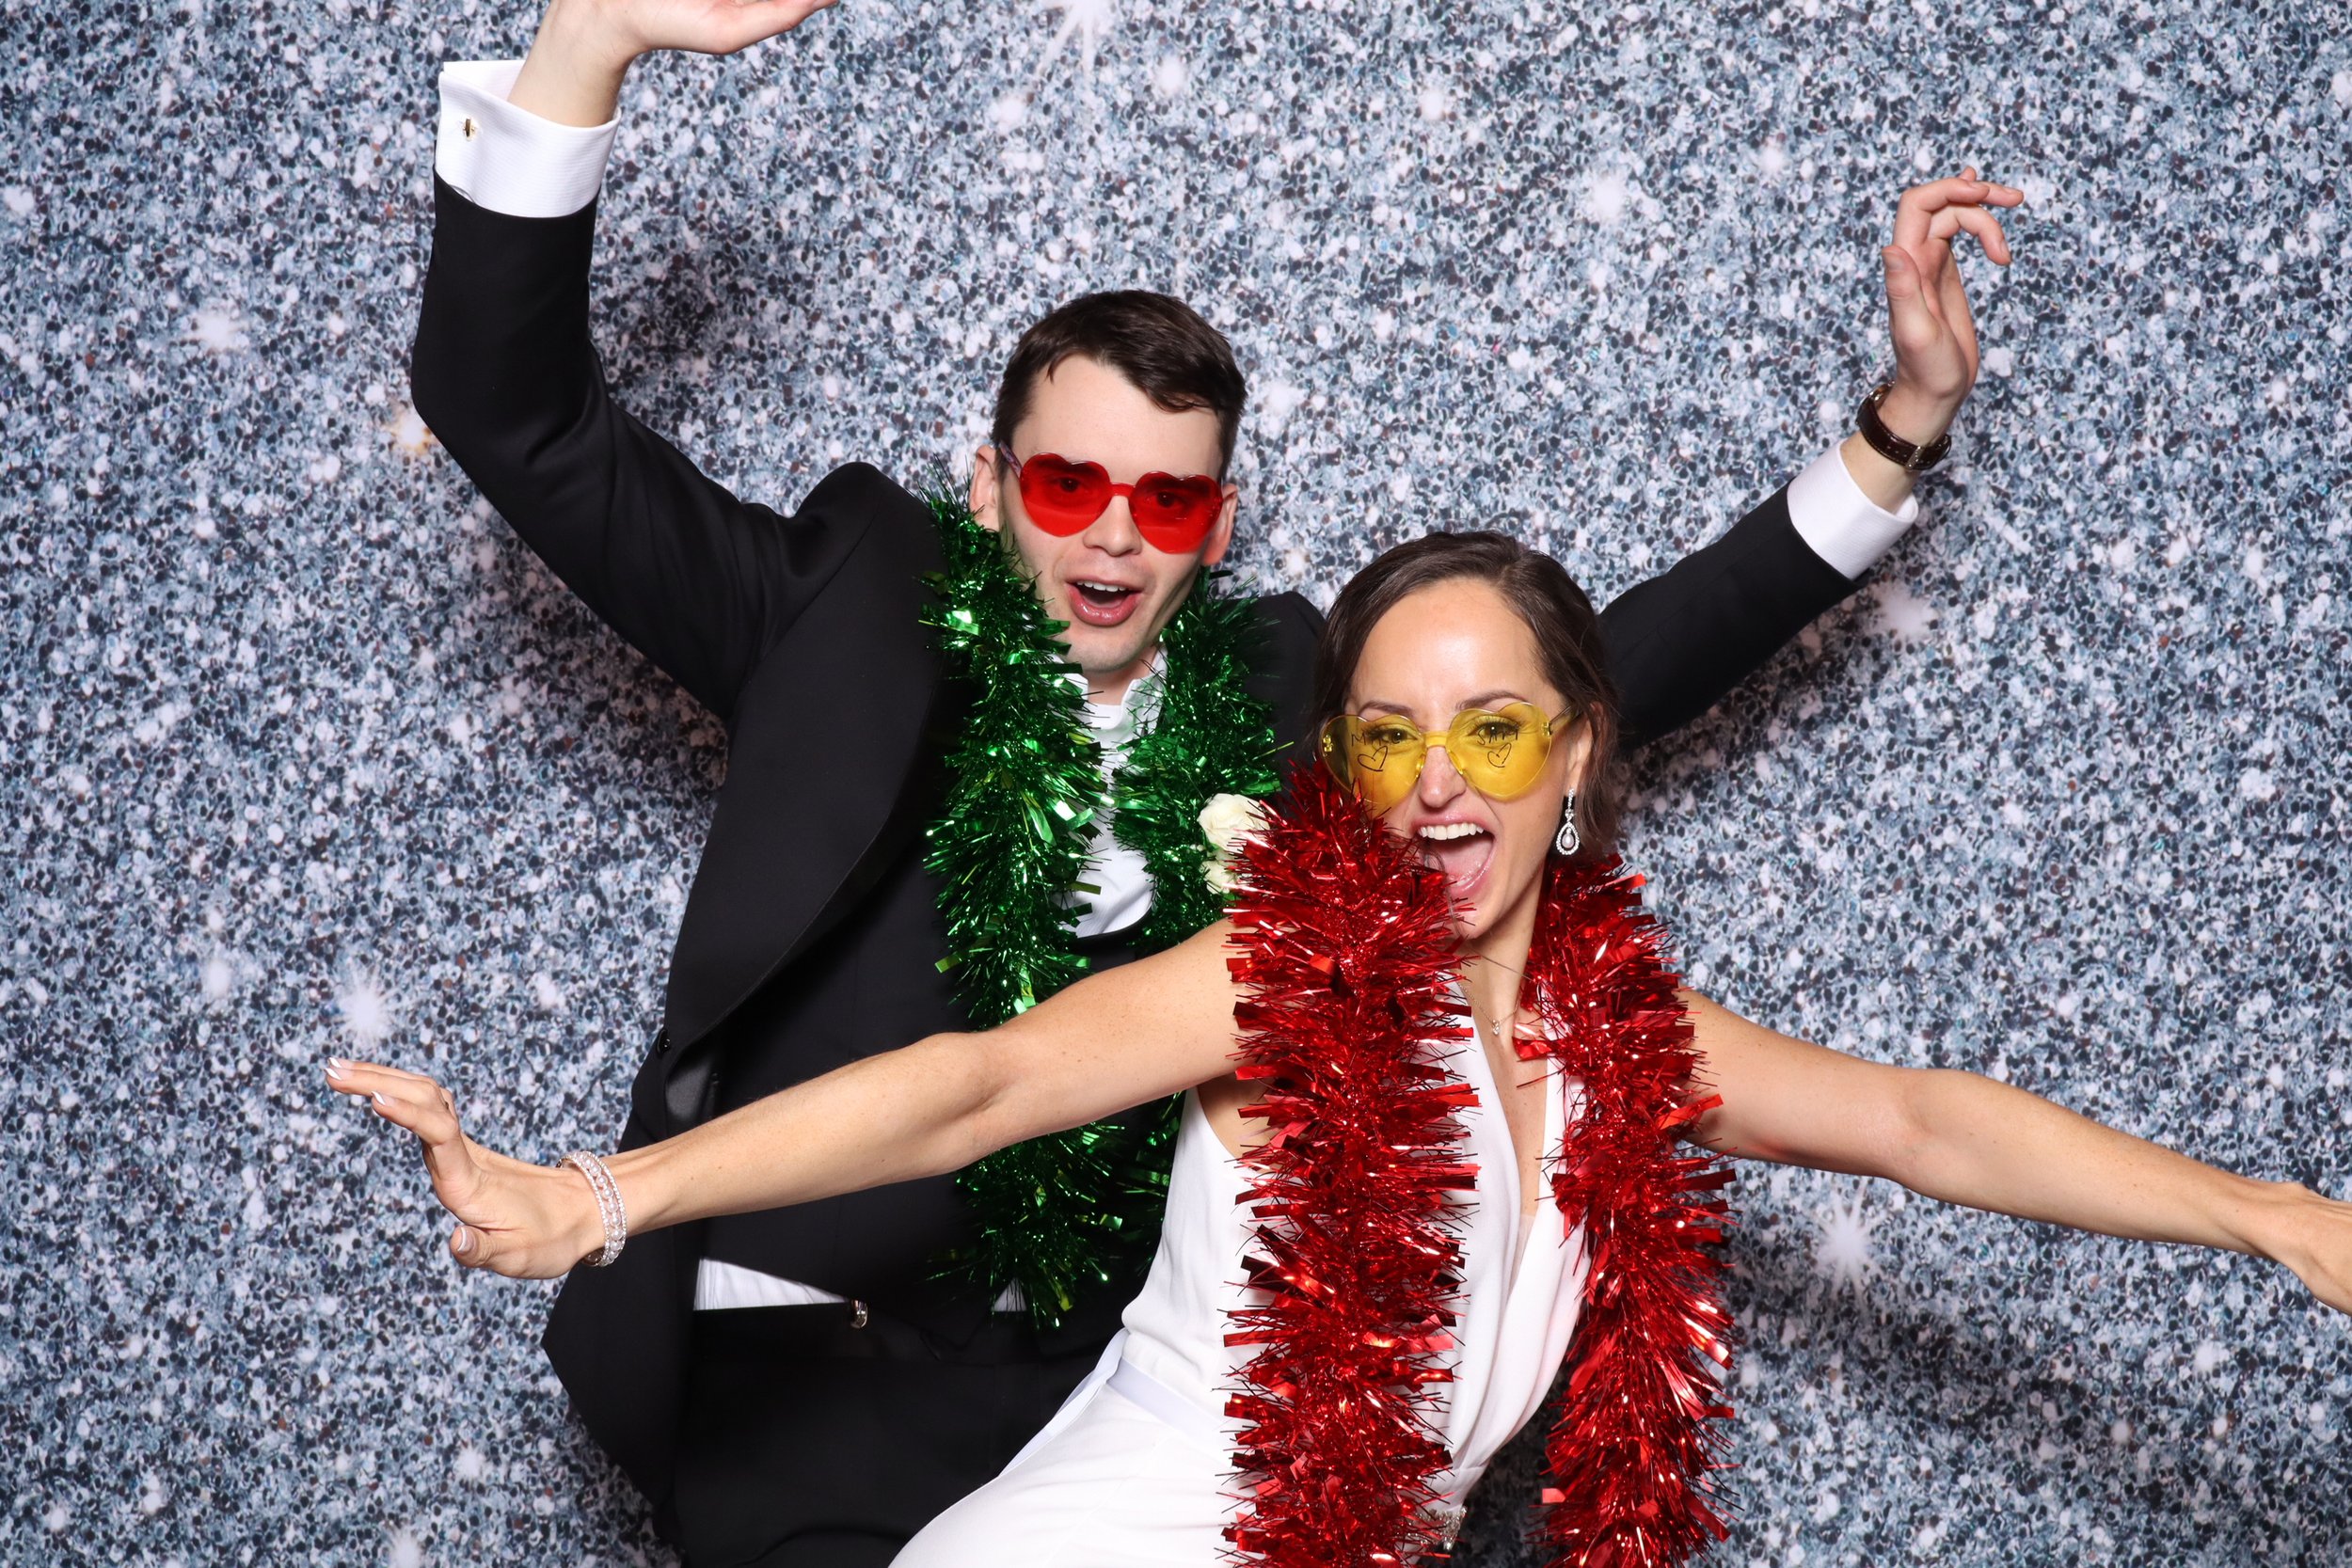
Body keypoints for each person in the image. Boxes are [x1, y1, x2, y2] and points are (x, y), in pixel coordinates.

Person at [407, 0, 2018, 1559]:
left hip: (1100, 1404)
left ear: (1218, 527)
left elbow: (1582, 674)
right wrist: (586, 45)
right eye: (1067, 480)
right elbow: (520, 419)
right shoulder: (836, 610)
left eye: (1168, 502)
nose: (1115, 530)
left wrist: (1898, 430)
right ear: (987, 488)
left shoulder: (1278, 701)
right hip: (802, 1394)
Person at [327, 529, 2352, 1565]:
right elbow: (980, 1085)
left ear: (1570, 753)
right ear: (1344, 774)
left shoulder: (1619, 1033)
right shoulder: (1281, 977)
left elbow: (1923, 1125)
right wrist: (604, 1193)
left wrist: (2275, 1223)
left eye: (1490, 730)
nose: (1440, 785)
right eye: (1388, 736)